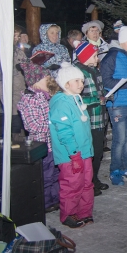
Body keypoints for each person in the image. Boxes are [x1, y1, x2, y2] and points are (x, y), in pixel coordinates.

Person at [49, 63, 95, 229]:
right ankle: (69, 214)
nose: (81, 84)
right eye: (76, 81)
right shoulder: (61, 104)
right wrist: (74, 154)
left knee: (86, 183)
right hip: (70, 155)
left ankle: (84, 212)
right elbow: (64, 132)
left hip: (84, 152)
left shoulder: (76, 100)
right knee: (72, 184)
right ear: (66, 83)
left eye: (82, 81)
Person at [100, 26, 127, 185]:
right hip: (118, 104)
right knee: (119, 140)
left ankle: (126, 167)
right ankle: (115, 170)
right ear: (121, 40)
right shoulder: (111, 57)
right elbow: (106, 81)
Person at [17, 62, 61, 214]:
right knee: (45, 176)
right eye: (45, 77)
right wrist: (54, 123)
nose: (49, 80)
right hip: (41, 146)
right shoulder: (29, 100)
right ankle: (45, 202)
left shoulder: (45, 96)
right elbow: (33, 126)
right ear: (35, 81)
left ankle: (55, 198)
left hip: (52, 143)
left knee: (55, 173)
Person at [73, 40, 110, 195]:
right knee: (89, 152)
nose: (97, 59)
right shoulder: (77, 73)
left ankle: (94, 179)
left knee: (98, 151)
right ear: (85, 57)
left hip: (99, 117)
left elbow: (99, 91)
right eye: (94, 56)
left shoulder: (95, 71)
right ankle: (87, 183)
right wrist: (97, 99)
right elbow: (77, 98)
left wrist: (106, 94)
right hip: (87, 119)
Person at [0, 24, 27, 136]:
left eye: (18, 36)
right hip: (9, 91)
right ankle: (13, 143)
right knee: (14, 121)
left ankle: (22, 143)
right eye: (14, 36)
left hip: (21, 89)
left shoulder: (17, 50)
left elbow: (26, 64)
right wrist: (13, 70)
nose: (16, 39)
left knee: (23, 121)